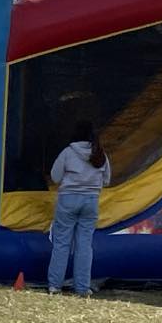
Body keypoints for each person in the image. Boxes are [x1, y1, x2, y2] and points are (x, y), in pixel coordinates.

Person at [47, 121, 111, 297]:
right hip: (91, 201)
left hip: (68, 200)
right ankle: (82, 287)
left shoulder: (68, 153)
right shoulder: (100, 154)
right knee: (84, 245)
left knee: (62, 243)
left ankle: (55, 285)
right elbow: (107, 180)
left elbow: (55, 176)